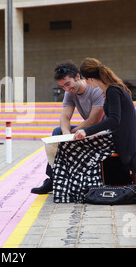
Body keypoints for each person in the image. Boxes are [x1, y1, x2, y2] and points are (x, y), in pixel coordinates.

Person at [52, 58, 136, 203]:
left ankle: (74, 186)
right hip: (118, 136)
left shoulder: (112, 91)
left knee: (77, 151)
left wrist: (85, 132)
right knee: (64, 139)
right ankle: (62, 182)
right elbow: (114, 121)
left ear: (88, 79)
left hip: (123, 141)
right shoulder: (112, 89)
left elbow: (113, 121)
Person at [31, 60, 104, 194]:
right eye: (62, 86)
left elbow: (94, 120)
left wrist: (73, 132)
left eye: (67, 84)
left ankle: (57, 179)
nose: (66, 89)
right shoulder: (70, 92)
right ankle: (53, 178)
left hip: (102, 131)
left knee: (63, 134)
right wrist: (65, 135)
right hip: (87, 130)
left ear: (77, 76)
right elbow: (64, 117)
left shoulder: (95, 89)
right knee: (58, 131)